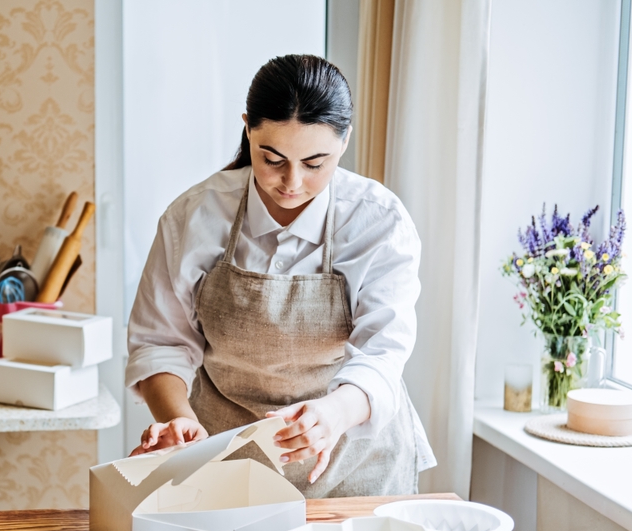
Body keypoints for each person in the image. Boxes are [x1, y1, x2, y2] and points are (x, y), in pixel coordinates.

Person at [125, 54, 435, 498]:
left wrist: (334, 414)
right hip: (222, 455)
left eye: (315, 163)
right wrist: (179, 419)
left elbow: (383, 354)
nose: (291, 182)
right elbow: (160, 344)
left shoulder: (377, 221)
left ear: (344, 141)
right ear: (248, 128)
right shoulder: (194, 216)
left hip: (355, 462)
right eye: (272, 158)